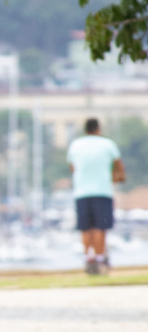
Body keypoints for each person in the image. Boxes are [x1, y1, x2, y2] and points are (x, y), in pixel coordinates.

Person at [67, 117, 124, 275]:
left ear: (85, 129)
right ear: (98, 129)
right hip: (103, 190)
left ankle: (89, 259)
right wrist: (116, 177)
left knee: (85, 228)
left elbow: (72, 168)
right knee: (100, 227)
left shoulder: (75, 145)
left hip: (81, 192)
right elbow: (118, 166)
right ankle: (100, 259)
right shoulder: (107, 144)